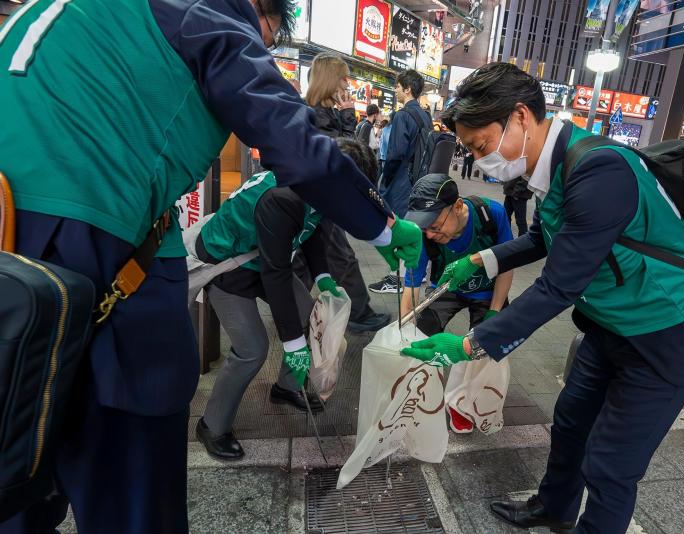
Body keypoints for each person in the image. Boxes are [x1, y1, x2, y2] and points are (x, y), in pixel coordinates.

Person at [0, 1, 422, 532]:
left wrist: (320, 280)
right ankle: (213, 426)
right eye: (268, 39)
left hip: (12, 250)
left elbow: (311, 241)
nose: (262, 49)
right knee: (136, 464)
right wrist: (383, 226)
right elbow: (293, 160)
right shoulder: (204, 12)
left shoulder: (58, 14)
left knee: (17, 441)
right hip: (115, 249)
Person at [400, 63, 684, 534]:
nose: (478, 158)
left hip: (668, 334)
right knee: (572, 421)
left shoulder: (599, 169)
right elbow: (543, 238)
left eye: (480, 145)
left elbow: (559, 285)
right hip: (611, 325)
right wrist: (478, 260)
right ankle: (554, 508)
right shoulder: (557, 166)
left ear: (519, 117)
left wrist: (472, 343)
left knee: (611, 464)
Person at [192, 138, 377, 459]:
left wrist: (323, 276)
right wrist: (292, 345)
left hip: (266, 256)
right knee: (252, 349)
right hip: (228, 264)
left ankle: (287, 387)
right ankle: (212, 425)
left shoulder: (317, 186)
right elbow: (275, 275)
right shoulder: (283, 196)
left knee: (310, 317)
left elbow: (313, 229)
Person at [400, 174, 514, 433]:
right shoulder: (424, 236)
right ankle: (422, 389)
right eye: (424, 228)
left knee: (484, 344)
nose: (430, 234)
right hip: (446, 288)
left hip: (487, 291)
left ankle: (463, 404)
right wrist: (406, 329)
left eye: (435, 225)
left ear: (458, 206)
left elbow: (507, 266)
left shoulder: (491, 214)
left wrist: (495, 311)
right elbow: (412, 285)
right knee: (421, 334)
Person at [301, 54, 391, 332]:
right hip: (319, 198)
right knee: (341, 256)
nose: (347, 84)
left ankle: (294, 309)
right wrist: (348, 117)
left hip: (316, 197)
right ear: (330, 80)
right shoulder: (318, 113)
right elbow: (344, 154)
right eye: (343, 78)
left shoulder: (320, 111)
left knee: (308, 257)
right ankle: (359, 314)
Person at [370, 69, 433, 295]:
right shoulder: (426, 116)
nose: (395, 90)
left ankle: (396, 278)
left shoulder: (403, 115)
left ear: (407, 89)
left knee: (397, 226)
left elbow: (396, 153)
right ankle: (415, 274)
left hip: (401, 180)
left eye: (397, 86)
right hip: (420, 180)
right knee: (415, 227)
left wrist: (385, 179)